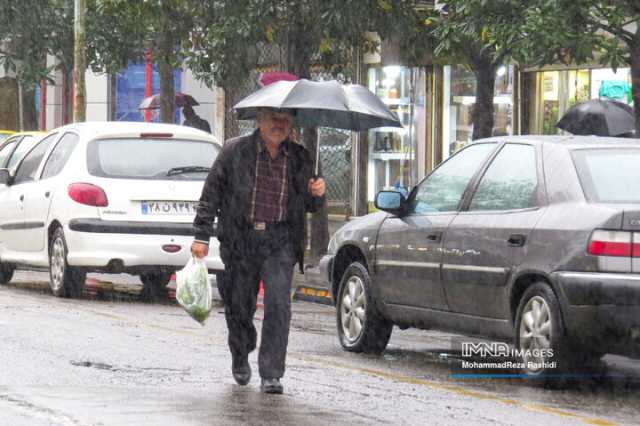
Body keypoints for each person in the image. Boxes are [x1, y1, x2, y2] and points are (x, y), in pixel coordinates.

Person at [191, 107, 325, 394]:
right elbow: (210, 194)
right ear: (259, 121)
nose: (279, 124)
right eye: (273, 118)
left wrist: (317, 194)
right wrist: (201, 236)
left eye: (285, 119)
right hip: (241, 239)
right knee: (240, 306)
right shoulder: (234, 151)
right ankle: (241, 352)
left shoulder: (300, 157)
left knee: (279, 304)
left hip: (281, 240)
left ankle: (272, 372)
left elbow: (309, 205)